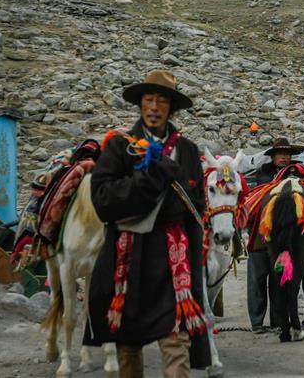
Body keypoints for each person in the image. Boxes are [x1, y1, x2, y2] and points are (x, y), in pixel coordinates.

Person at [86, 70, 209, 377]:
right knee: (128, 348)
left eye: (161, 100)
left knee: (176, 341)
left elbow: (197, 208)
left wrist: (199, 263)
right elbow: (102, 200)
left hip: (174, 263)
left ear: (171, 108)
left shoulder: (188, 151)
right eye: (148, 100)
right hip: (130, 262)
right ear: (140, 105)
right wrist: (150, 179)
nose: (154, 107)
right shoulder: (120, 147)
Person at [246, 137, 304, 333]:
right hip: (260, 234)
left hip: (283, 237)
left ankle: (277, 321)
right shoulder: (263, 175)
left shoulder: (298, 175)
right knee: (257, 278)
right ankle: (257, 322)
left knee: (278, 279)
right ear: (273, 157)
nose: (284, 157)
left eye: (287, 154)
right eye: (280, 154)